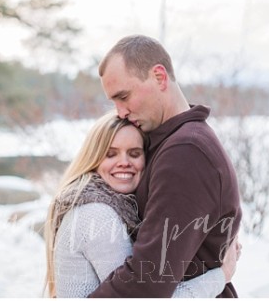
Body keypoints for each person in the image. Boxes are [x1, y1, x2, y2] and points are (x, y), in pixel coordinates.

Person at [86, 35, 241, 298]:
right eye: (113, 102)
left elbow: (148, 282)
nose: (120, 112)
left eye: (124, 96)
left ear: (159, 77)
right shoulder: (165, 143)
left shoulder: (186, 152)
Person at [43, 111, 237, 297]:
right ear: (93, 159)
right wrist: (220, 277)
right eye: (111, 154)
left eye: (134, 153)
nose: (124, 162)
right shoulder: (98, 215)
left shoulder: (104, 204)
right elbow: (140, 295)